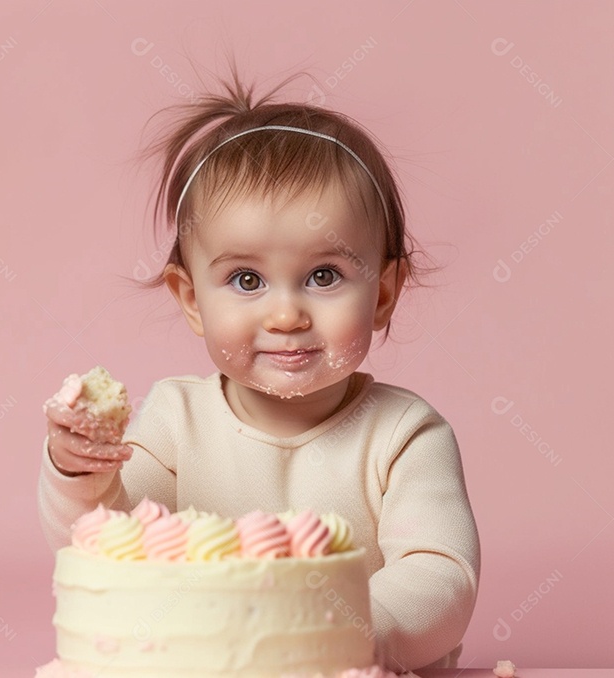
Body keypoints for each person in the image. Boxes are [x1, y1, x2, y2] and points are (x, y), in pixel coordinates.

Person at [36, 64, 480, 673]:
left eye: (324, 276)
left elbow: (441, 575)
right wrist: (78, 474)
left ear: (381, 294)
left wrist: (346, 633)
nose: (286, 314)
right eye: (246, 280)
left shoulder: (405, 435)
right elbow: (112, 550)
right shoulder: (174, 422)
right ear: (191, 299)